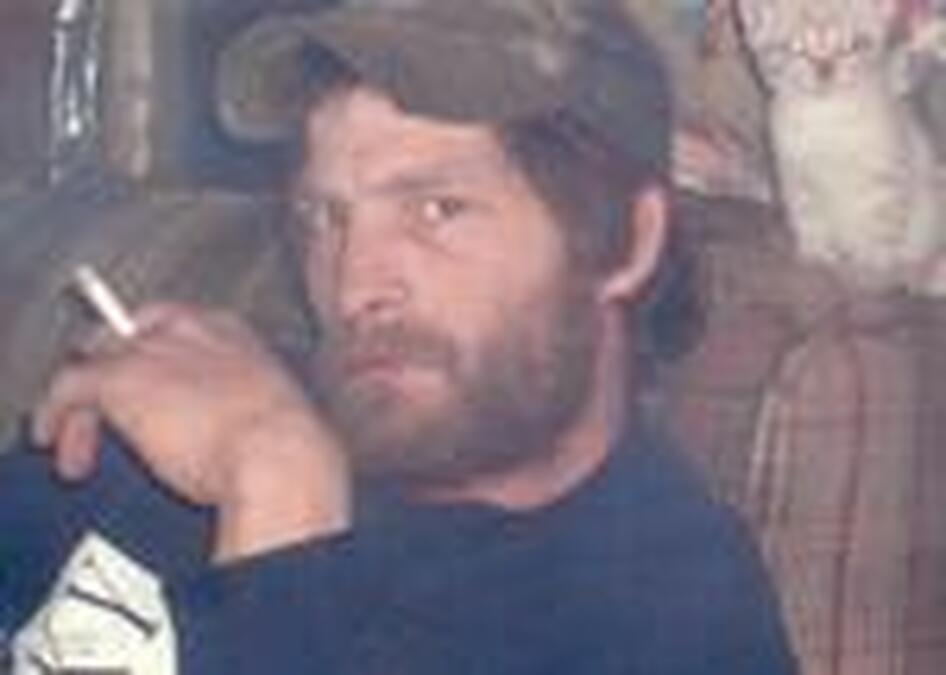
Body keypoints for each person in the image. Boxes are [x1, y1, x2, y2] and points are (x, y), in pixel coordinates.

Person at [0, 0, 796, 672]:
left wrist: (280, 502)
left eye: (436, 209)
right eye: (326, 217)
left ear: (626, 242)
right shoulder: (215, 412)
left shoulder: (673, 620)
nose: (353, 286)